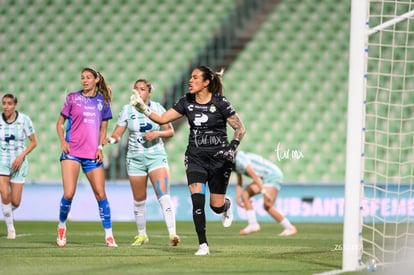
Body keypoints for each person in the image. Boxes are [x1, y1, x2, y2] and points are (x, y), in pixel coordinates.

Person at [130, 65, 246, 256]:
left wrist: (232, 149)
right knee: (197, 200)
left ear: (206, 82)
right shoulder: (186, 101)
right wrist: (143, 108)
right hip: (195, 157)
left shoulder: (220, 102)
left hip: (219, 159)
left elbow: (240, 129)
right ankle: (203, 245)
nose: (190, 81)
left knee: (215, 207)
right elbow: (162, 119)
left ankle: (225, 205)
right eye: (190, 77)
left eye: (195, 78)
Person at [106, 79, 179, 247]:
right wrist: (109, 140)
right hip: (135, 160)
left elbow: (170, 131)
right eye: (136, 89)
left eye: (143, 89)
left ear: (149, 92)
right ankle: (142, 235)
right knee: (139, 200)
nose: (139, 92)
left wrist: (156, 134)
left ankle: (173, 233)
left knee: (164, 195)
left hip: (156, 157)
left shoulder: (158, 108)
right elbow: (118, 134)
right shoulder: (127, 110)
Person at [55, 67, 117, 247]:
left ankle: (109, 235)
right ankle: (61, 226)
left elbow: (103, 129)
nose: (84, 80)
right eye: (82, 78)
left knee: (100, 193)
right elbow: (60, 123)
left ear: (96, 79)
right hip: (72, 153)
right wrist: (62, 141)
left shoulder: (103, 101)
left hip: (92, 155)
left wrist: (100, 147)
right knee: (68, 193)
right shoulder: (72, 98)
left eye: (88, 77)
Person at [0, 93, 38, 239]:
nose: (6, 106)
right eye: (4, 103)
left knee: (15, 201)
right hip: (2, 162)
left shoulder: (24, 120)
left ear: (15, 105)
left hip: (19, 163)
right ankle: (11, 229)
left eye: (9, 103)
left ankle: (7, 212)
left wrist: (21, 156)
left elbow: (34, 142)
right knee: (5, 195)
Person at [233, 150, 297, 236]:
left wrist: (264, 191)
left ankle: (289, 227)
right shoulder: (233, 163)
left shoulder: (239, 157)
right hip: (262, 178)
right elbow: (239, 181)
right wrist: (237, 197)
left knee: (267, 205)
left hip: (271, 175)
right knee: (245, 195)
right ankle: (253, 224)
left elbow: (254, 176)